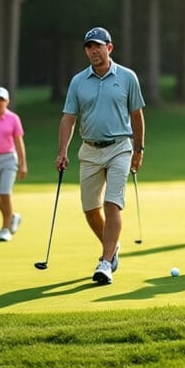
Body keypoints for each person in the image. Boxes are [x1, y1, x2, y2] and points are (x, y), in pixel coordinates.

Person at [56, 27, 145, 286]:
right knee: (90, 209)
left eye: (99, 46)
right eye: (89, 47)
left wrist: (139, 149)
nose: (94, 50)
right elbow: (68, 118)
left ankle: (105, 262)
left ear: (109, 47)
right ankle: (112, 247)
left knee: (112, 203)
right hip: (90, 150)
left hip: (120, 147)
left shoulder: (127, 77)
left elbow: (137, 116)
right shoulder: (78, 81)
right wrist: (62, 151)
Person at [0, 86, 27, 242]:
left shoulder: (13, 118)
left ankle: (5, 229)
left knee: (5, 193)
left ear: (7, 102)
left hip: (9, 159)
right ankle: (12, 216)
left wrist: (23, 164)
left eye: (2, 100)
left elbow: (19, 143)